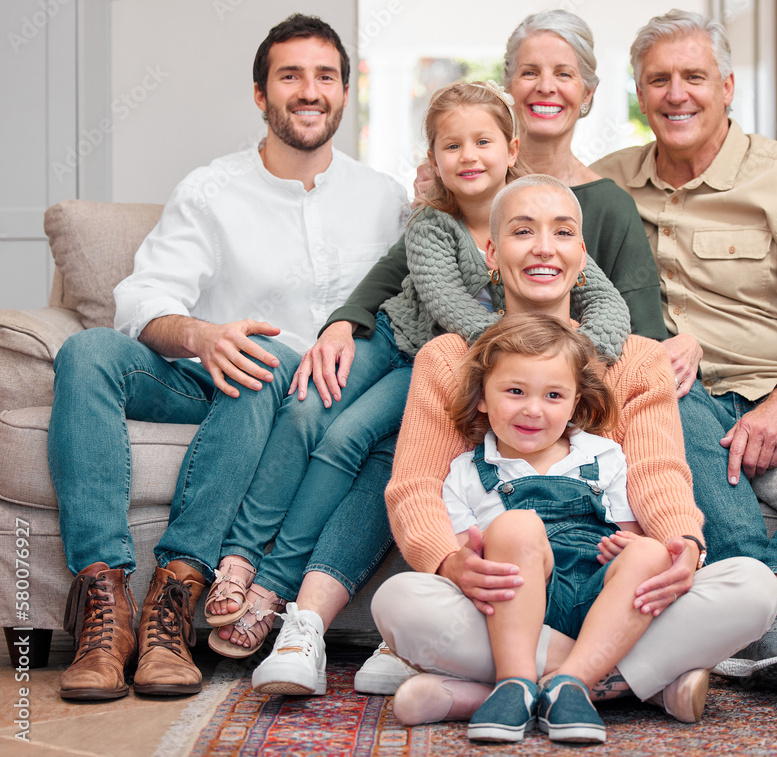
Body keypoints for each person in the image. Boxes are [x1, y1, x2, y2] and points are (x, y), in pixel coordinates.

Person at [204, 80, 631, 660]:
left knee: (359, 440)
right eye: (451, 147)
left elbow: (606, 300)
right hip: (404, 340)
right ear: (433, 160)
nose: (469, 157)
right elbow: (447, 306)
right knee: (310, 409)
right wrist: (525, 350)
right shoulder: (435, 223)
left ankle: (280, 590)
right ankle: (241, 558)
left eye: (483, 142)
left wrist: (578, 355)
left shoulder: (539, 220)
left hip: (439, 363)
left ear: (512, 148)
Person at [51, 13, 408, 700]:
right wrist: (201, 337)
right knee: (87, 350)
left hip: (296, 398)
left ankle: (175, 593)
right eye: (291, 75)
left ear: (344, 91)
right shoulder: (210, 190)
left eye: (325, 76)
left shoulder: (384, 199)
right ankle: (102, 604)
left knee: (261, 367)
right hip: (202, 378)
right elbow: (142, 298)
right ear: (259, 94)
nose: (310, 90)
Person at [369, 174, 777, 728]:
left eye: (562, 232)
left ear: (581, 255)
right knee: (400, 603)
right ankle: (629, 684)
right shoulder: (449, 358)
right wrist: (448, 560)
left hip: (603, 583)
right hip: (507, 590)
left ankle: (511, 686)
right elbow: (415, 485)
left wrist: (682, 543)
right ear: (492, 253)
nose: (544, 247)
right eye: (522, 231)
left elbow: (658, 474)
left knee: (753, 587)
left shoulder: (637, 358)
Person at [590, 10, 777, 693]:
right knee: (662, 396)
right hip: (685, 390)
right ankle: (776, 619)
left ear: (727, 86)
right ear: (639, 94)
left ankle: (765, 609)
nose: (677, 94)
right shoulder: (605, 186)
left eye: (694, 77)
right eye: (659, 80)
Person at [446, 313, 674, 744]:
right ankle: (515, 683)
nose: (533, 409)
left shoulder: (603, 455)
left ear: (575, 403)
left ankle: (569, 682)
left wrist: (629, 548)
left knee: (653, 555)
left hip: (597, 602)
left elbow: (631, 533)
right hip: (517, 610)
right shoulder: (467, 472)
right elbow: (466, 563)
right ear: (481, 397)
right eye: (515, 392)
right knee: (512, 528)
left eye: (554, 395)